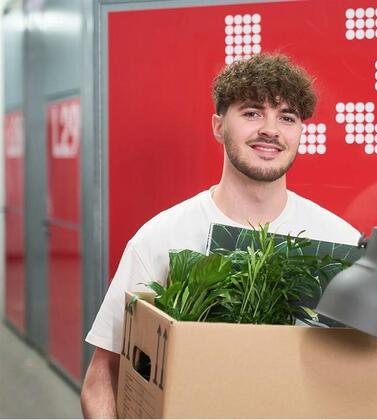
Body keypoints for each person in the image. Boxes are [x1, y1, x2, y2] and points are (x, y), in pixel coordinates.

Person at [80, 53, 360, 418]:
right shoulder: (160, 239)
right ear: (218, 126)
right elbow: (102, 377)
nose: (271, 130)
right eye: (252, 113)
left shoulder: (341, 243)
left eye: (287, 117)